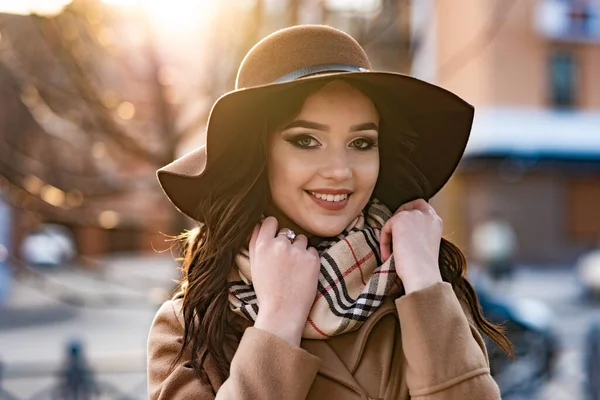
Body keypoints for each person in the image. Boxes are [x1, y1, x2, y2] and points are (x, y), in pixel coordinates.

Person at [147, 25, 513, 399]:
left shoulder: (422, 286)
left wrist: (423, 278)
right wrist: (277, 322)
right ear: (258, 156)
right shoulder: (187, 326)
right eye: (306, 140)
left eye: (361, 142)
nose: (340, 170)